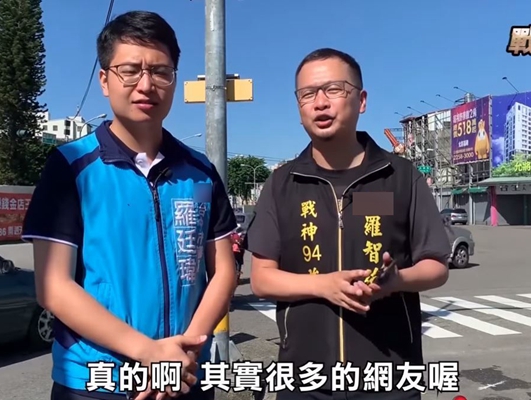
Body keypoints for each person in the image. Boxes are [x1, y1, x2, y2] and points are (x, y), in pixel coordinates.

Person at [22, 11, 237, 400]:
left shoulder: (201, 172)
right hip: (96, 381)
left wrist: (185, 352)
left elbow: (223, 270)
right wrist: (150, 353)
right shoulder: (71, 167)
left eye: (160, 71)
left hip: (187, 377)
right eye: (130, 70)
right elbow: (53, 286)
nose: (146, 84)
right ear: (105, 80)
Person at [245, 48, 451, 400]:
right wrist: (324, 285)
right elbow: (262, 279)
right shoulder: (281, 184)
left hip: (390, 380)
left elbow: (436, 265)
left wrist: (396, 281)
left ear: (362, 100)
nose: (320, 103)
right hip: (303, 381)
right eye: (307, 94)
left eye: (333, 89)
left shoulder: (401, 177)